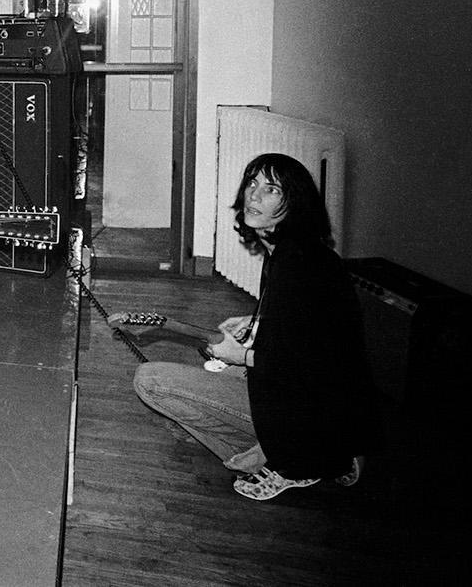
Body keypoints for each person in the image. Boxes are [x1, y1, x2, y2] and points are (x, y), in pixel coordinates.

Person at [127, 153, 377, 501]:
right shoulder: (291, 253)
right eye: (252, 184)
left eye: (271, 189)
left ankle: (299, 462)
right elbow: (308, 327)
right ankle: (300, 451)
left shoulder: (296, 265)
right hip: (311, 401)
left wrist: (243, 356)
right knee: (183, 416)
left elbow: (313, 365)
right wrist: (258, 321)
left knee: (151, 381)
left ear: (295, 203)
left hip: (313, 409)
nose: (254, 196)